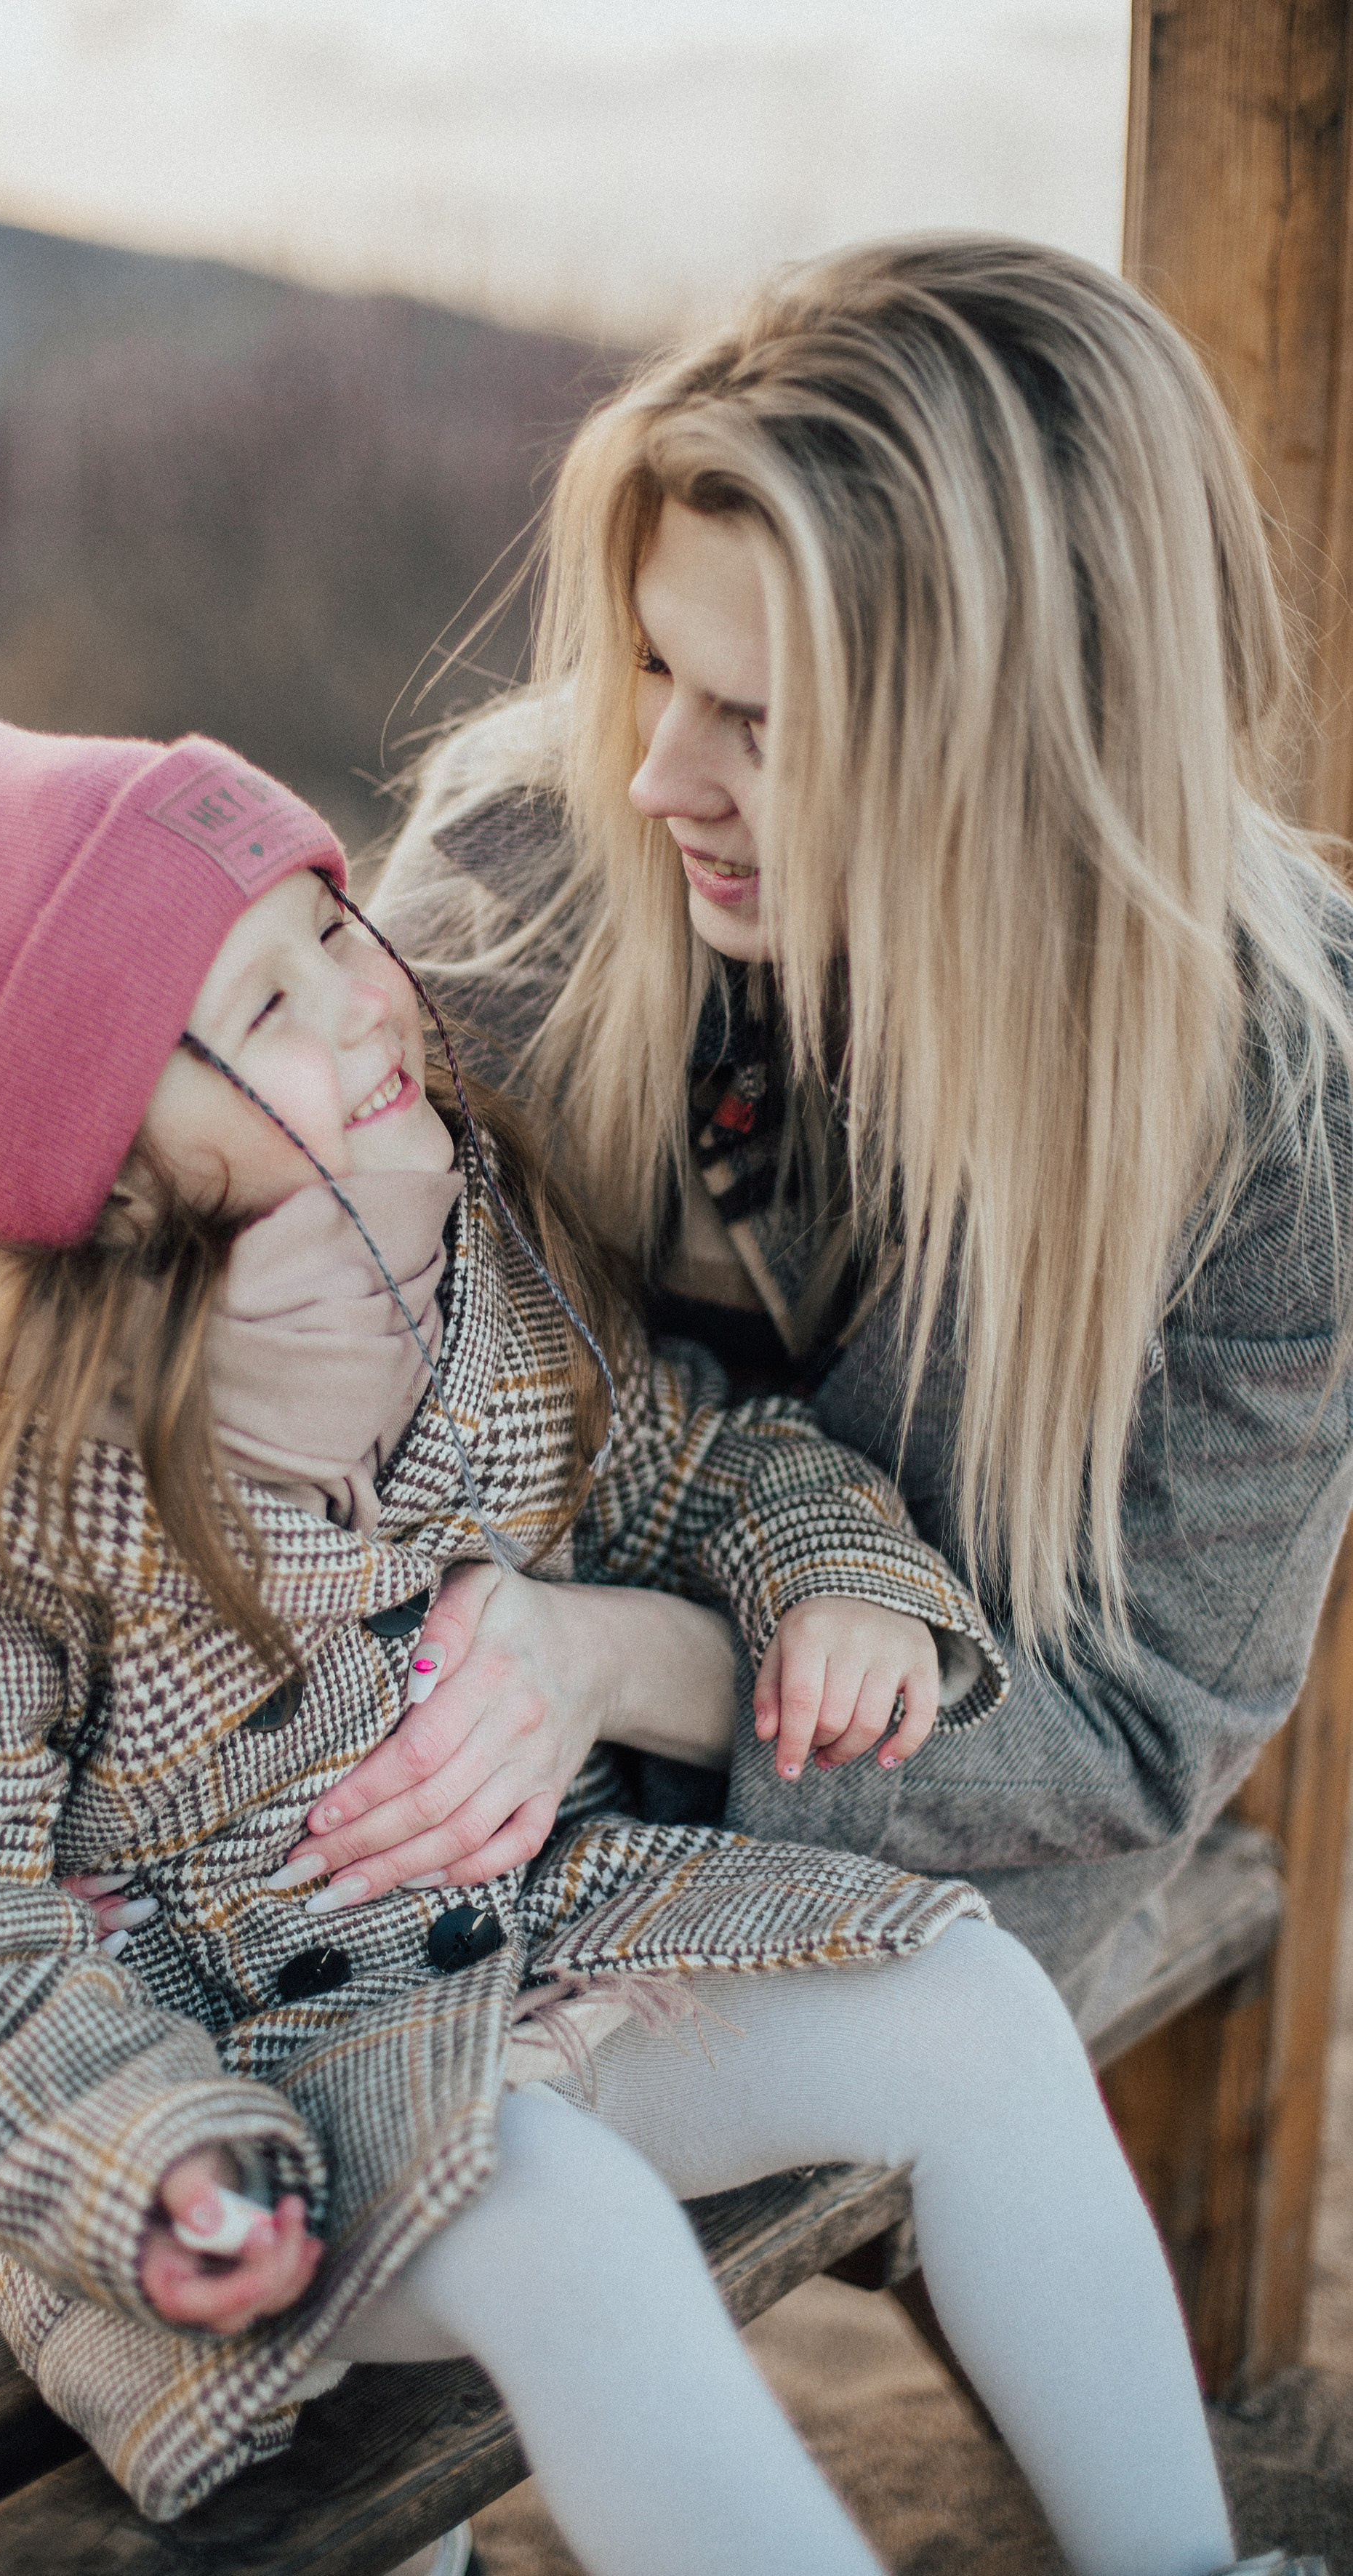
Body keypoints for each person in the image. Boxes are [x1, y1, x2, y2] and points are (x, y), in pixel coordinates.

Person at [0, 709, 1277, 2576]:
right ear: (95, 1159)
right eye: (264, 1009)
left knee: (970, 2008)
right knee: (566, 2214)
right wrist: (155, 2157)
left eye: (329, 923)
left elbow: (678, 1448)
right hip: (252, 2097)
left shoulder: (459, 1239)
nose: (357, 1003)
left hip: (546, 1952)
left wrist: (824, 1577)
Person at [272, 232, 1353, 2050]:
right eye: (647, 668)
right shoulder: (535, 857)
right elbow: (303, 1334)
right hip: (430, 1778)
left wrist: (614, 1660)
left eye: (762, 723)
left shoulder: (1280, 1092)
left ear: (1018, 745)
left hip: (923, 1883)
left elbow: (1135, 1726)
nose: (653, 777)